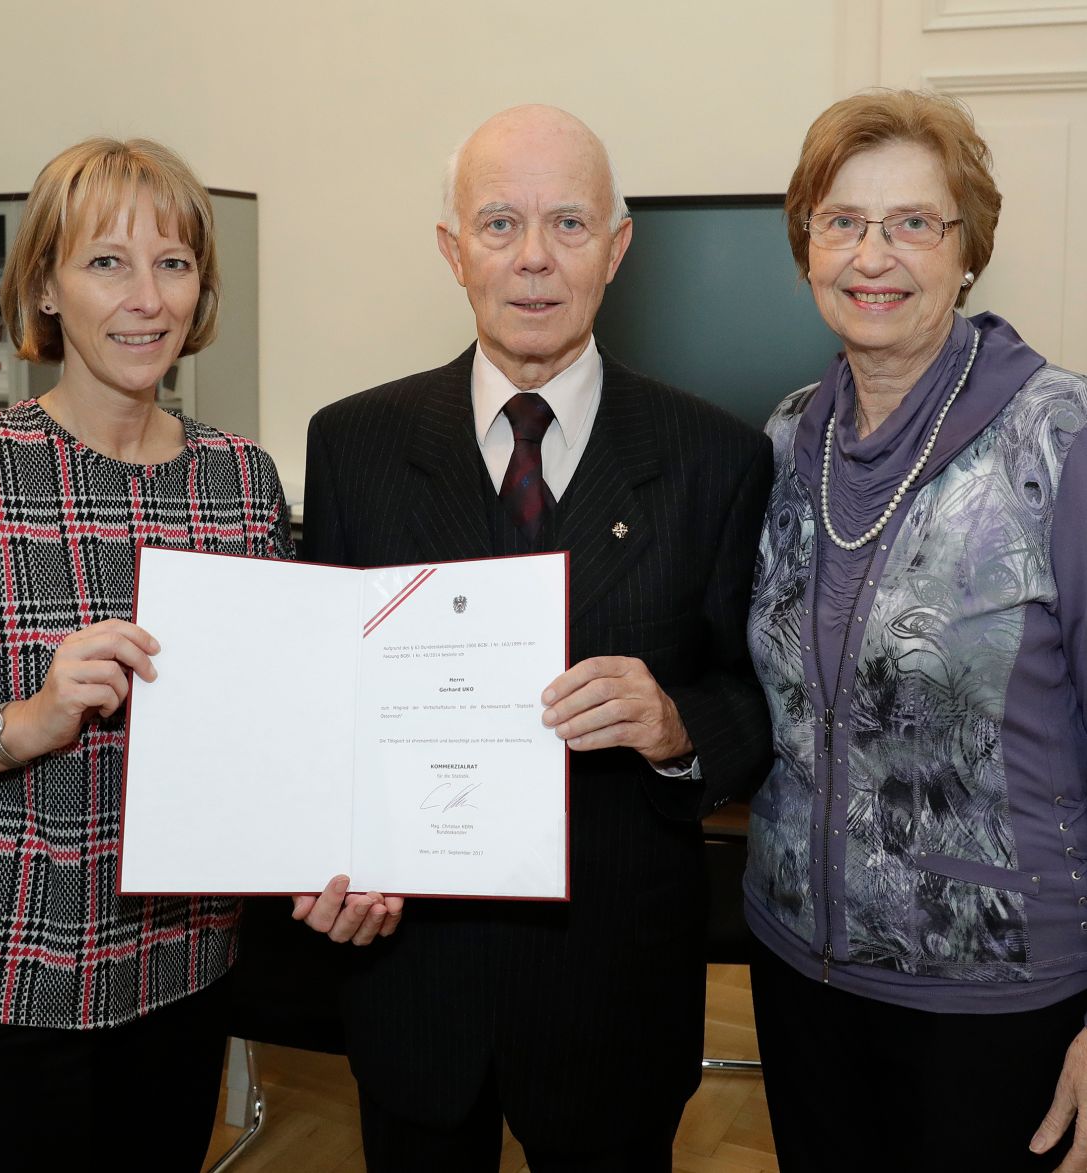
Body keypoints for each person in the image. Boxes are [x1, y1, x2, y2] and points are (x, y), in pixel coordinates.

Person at [0, 137, 380, 1173]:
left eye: (172, 263)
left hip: (180, 973)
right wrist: (25, 723)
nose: (145, 298)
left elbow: (281, 726)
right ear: (44, 286)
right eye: (106, 263)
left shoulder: (237, 483)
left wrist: (342, 842)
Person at [301, 104, 773, 1170]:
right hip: (413, 981)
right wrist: (320, 853)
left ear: (615, 249)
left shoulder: (714, 458)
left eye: (567, 224)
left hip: (611, 987)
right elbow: (322, 708)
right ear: (450, 250)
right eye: (499, 223)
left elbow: (755, 700)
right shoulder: (354, 445)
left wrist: (673, 724)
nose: (532, 260)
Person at [743, 89, 1087, 1172]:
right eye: (840, 221)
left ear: (966, 250)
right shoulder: (788, 436)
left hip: (994, 995)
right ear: (805, 244)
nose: (871, 255)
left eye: (912, 223)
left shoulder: (1061, 436)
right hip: (796, 964)